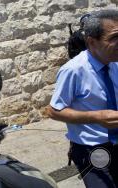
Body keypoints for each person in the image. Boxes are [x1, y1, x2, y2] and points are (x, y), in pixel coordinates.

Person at [46, 9, 118, 188]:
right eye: (114, 37)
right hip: (94, 149)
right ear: (92, 42)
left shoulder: (115, 62)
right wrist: (95, 117)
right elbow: (54, 110)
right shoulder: (74, 70)